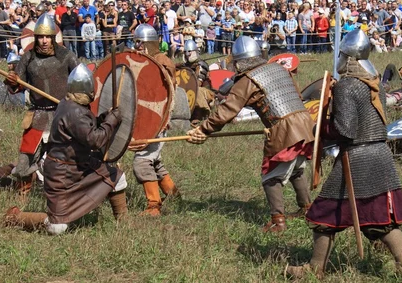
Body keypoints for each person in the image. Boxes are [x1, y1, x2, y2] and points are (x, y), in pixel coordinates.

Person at [283, 29, 402, 279]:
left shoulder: (348, 86)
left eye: (342, 55)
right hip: (379, 155)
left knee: (324, 214)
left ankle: (314, 269)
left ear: (349, 57)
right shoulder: (373, 82)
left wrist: (320, 128)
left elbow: (345, 129)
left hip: (357, 158)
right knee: (380, 220)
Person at [187, 36, 315, 232]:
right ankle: (307, 210)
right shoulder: (279, 68)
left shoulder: (248, 79)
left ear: (238, 61)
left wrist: (204, 129)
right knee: (296, 168)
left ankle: (277, 221)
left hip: (285, 129)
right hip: (305, 123)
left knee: (271, 176)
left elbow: (227, 111)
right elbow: (297, 97)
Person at [5, 64, 128, 234]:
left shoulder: (70, 104)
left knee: (117, 178)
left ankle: (123, 225)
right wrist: (111, 121)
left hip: (81, 165)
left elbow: (86, 129)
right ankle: (16, 217)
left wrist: (103, 118)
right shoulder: (74, 112)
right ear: (89, 91)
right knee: (57, 228)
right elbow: (95, 140)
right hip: (61, 175)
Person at [0, 14, 79, 195]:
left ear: (53, 37)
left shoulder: (67, 56)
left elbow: (81, 81)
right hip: (38, 115)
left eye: (47, 37)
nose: (44, 41)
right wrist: (13, 81)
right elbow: (16, 88)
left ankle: (66, 192)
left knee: (68, 156)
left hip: (63, 114)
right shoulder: (28, 58)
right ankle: (23, 195)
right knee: (25, 158)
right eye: (41, 37)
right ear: (36, 38)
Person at [128, 24, 180, 217]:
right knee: (153, 158)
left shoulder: (161, 61)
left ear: (148, 43)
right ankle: (173, 194)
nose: (137, 47)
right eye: (136, 43)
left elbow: (165, 91)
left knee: (142, 161)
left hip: (158, 119)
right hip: (148, 118)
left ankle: (153, 205)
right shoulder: (147, 60)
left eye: (140, 43)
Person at [180, 39, 213, 121]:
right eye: (185, 52)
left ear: (194, 52)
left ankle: (201, 113)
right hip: (190, 90)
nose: (187, 55)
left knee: (197, 91)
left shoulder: (201, 65)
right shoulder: (187, 65)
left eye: (189, 52)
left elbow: (197, 83)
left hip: (206, 93)